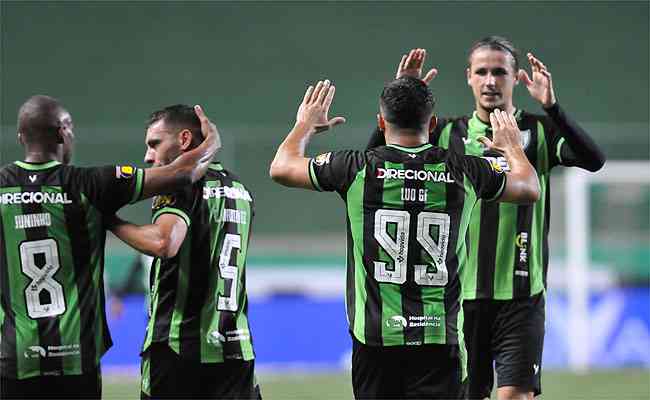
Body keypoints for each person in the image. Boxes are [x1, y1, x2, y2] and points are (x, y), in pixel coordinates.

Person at [270, 77, 540, 399]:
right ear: (434, 123)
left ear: (381, 122)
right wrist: (511, 146)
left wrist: (305, 126)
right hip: (441, 339)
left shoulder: (356, 169)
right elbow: (529, 188)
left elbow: (281, 167)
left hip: (376, 340)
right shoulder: (465, 170)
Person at [367, 39, 606, 400]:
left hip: (522, 294)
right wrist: (401, 94)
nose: (490, 81)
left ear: (515, 78)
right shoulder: (446, 134)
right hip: (460, 296)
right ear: (469, 77)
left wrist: (553, 108)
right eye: (482, 72)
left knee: (515, 395)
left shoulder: (538, 131)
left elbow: (594, 160)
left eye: (499, 72)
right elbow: (378, 158)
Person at [0, 95, 219, 399]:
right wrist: (211, 142)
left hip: (15, 356)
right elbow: (182, 173)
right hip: (77, 357)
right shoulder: (90, 184)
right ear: (65, 131)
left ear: (21, 137)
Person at [107, 104, 260, 399]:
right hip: (235, 346)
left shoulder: (180, 184)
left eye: (155, 144)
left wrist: (110, 221)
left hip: (179, 347)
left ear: (184, 140)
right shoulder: (241, 191)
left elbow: (164, 242)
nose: (148, 156)